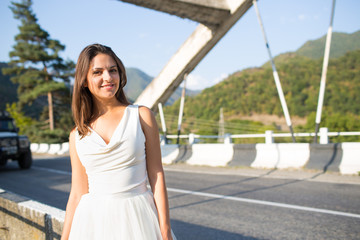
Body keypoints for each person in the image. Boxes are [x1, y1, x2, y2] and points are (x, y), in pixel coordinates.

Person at [61, 43, 176, 240]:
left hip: (139, 220)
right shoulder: (77, 135)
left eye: (112, 70)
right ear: (84, 81)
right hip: (92, 224)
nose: (108, 77)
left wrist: (164, 230)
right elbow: (77, 194)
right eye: (98, 72)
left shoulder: (141, 116)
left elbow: (156, 174)